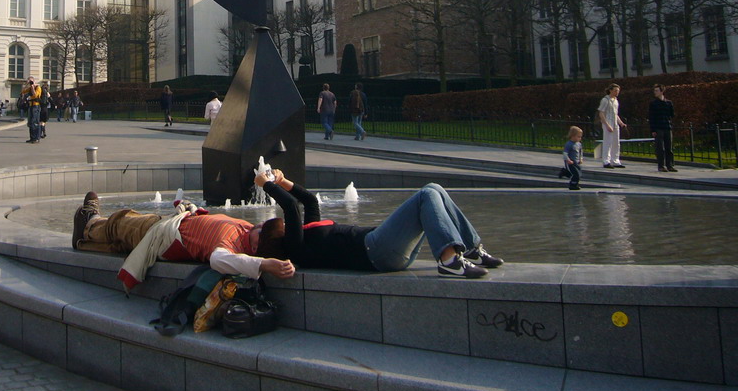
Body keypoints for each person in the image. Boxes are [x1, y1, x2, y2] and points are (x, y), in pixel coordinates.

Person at [254, 168, 502, 279]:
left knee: (434, 188)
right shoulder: (297, 249)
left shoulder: (308, 235)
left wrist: (283, 180)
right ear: (278, 236)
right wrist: (266, 185)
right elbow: (291, 207)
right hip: (375, 251)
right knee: (426, 194)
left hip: (381, 247)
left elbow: (309, 202)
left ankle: (471, 249)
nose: (287, 225)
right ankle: (449, 261)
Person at [72, 192, 294, 291]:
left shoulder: (233, 246)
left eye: (262, 231)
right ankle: (84, 240)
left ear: (255, 248)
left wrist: (264, 264)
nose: (259, 225)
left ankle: (90, 223)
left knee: (123, 223)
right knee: (121, 243)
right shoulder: (247, 232)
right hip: (173, 224)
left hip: (164, 234)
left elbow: (219, 260)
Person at [648, 83, 677, 172]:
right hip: (658, 127)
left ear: (662, 91)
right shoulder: (653, 103)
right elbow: (651, 117)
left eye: (657, 91)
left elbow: (672, 114)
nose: (655, 92)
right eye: (654, 91)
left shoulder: (668, 103)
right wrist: (653, 129)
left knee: (669, 147)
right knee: (660, 148)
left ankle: (670, 165)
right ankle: (661, 165)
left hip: (667, 126)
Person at [598, 84, 627, 169]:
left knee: (616, 143)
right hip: (608, 123)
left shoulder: (616, 100)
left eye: (618, 91)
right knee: (608, 142)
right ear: (610, 90)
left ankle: (615, 161)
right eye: (615, 90)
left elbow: (616, 114)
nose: (617, 92)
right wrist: (607, 125)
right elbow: (601, 113)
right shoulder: (605, 100)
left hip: (615, 124)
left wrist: (621, 123)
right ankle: (606, 161)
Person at [558, 125, 584, 190]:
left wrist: (581, 158)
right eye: (578, 137)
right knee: (576, 174)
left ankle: (565, 172)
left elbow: (580, 152)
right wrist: (568, 160)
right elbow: (565, 153)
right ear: (572, 136)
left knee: (579, 173)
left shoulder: (579, 144)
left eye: (580, 137)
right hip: (570, 162)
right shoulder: (569, 144)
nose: (580, 138)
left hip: (576, 162)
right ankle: (572, 185)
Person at [20, 77, 43, 143]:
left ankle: (36, 138)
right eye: (29, 81)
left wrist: (33, 87)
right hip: (30, 105)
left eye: (31, 81)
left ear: (34, 81)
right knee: (30, 122)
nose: (30, 83)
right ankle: (32, 138)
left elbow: (35, 95)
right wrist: (27, 85)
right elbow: (22, 92)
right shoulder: (29, 87)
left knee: (35, 121)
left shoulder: (38, 87)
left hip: (36, 106)